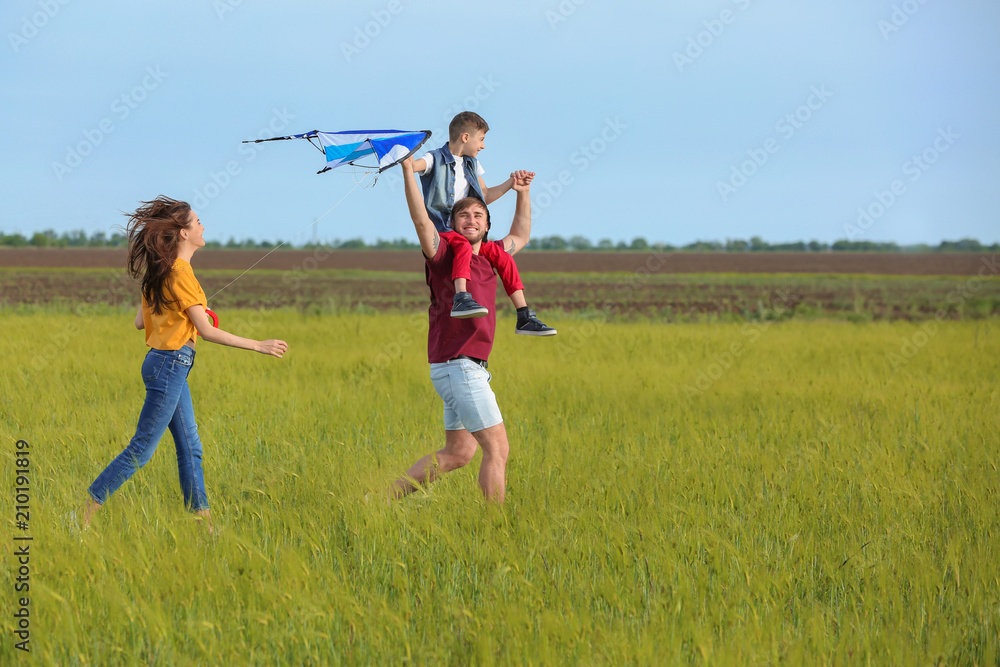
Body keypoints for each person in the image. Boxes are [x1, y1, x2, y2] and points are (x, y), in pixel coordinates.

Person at [82, 196, 288, 531]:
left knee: (190, 447)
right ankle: (85, 512)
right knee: (142, 449)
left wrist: (184, 314)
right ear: (182, 233)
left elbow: (140, 322)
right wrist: (258, 345)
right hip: (170, 365)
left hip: (165, 363)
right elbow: (206, 332)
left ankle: (204, 525)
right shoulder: (181, 273)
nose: (203, 226)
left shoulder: (162, 272)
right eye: (198, 222)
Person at [388, 156, 533, 503]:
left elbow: (521, 236)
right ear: (453, 223)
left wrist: (522, 192)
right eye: (463, 215)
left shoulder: (495, 254)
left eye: (477, 215)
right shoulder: (443, 256)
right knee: (497, 449)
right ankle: (494, 527)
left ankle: (379, 502)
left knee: (458, 454)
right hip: (459, 365)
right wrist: (409, 173)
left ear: (486, 225)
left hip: (466, 368)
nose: (470, 219)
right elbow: (421, 220)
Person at [412, 111, 556, 335]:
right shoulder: (434, 158)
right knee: (461, 244)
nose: (483, 146)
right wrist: (404, 155)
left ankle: (524, 315)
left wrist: (513, 183)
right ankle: (461, 296)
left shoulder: (472, 165)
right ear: (466, 137)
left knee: (503, 256)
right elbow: (412, 166)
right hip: (445, 231)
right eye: (482, 139)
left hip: (465, 230)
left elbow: (484, 195)